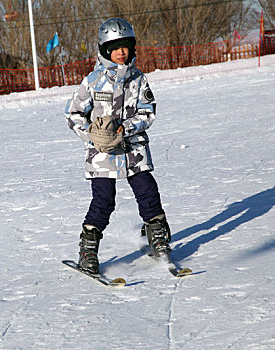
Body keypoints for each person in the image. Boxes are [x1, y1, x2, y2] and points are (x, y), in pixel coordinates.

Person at [64, 18, 171, 274]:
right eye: (115, 47)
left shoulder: (138, 79)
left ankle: (157, 237)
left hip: (134, 151)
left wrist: (128, 127)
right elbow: (73, 113)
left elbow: (148, 112)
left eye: (125, 46)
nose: (121, 52)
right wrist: (92, 134)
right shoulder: (93, 81)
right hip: (102, 154)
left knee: (148, 193)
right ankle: (88, 249)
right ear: (104, 50)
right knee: (103, 201)